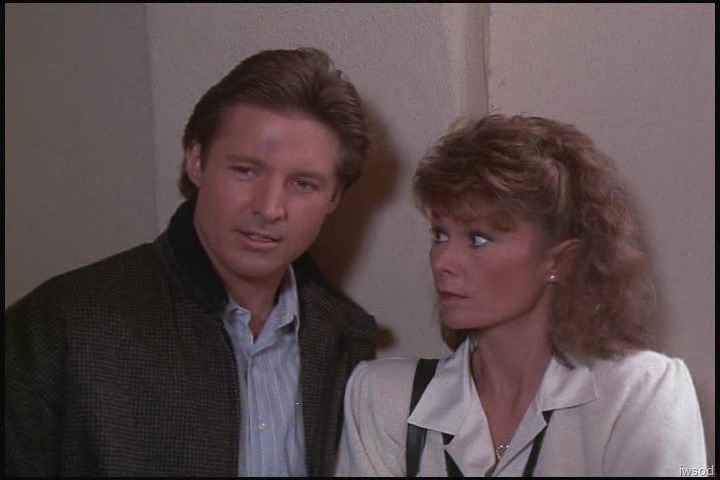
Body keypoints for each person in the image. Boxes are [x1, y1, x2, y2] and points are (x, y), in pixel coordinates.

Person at [6, 47, 377, 477]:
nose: (269, 207)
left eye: (303, 184)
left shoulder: (344, 339)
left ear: (334, 198)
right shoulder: (62, 325)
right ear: (196, 161)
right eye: (246, 170)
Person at [336, 113, 707, 476]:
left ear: (560, 260)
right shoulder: (383, 398)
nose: (442, 261)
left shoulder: (639, 393)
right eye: (440, 234)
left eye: (477, 238)